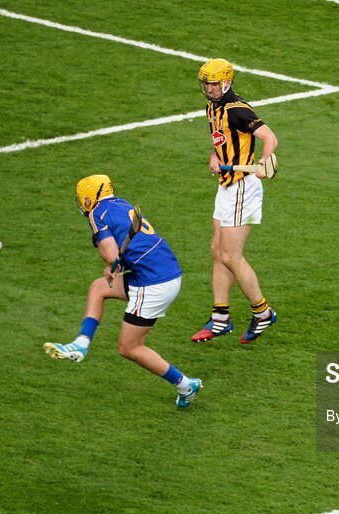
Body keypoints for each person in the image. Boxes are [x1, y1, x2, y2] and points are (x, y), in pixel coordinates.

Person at [44, 174, 202, 408]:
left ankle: (186, 385)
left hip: (153, 283)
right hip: (165, 272)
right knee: (99, 287)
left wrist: (112, 263)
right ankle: (81, 343)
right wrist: (116, 267)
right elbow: (129, 252)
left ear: (88, 198)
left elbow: (110, 253)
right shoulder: (120, 204)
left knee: (129, 347)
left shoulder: (98, 214)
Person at [189, 58, 280, 345]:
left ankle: (263, 312)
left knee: (230, 255)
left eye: (215, 83)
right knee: (217, 249)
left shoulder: (238, 109)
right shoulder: (212, 107)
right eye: (207, 83)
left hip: (243, 186)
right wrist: (215, 156)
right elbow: (221, 139)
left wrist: (265, 160)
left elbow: (269, 136)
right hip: (227, 185)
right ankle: (220, 318)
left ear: (227, 82)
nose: (210, 88)